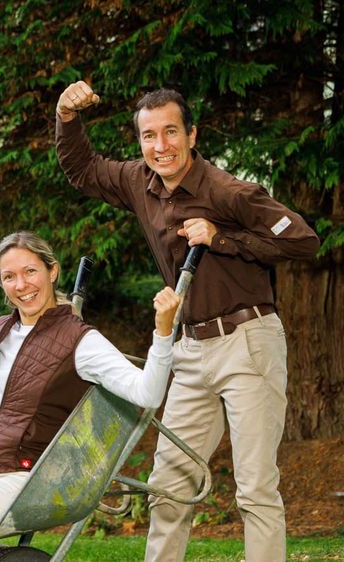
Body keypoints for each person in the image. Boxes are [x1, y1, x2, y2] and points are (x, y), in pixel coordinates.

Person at [54, 83, 321, 562]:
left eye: (171, 132)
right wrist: (67, 118)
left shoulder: (228, 191)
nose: (160, 147)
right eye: (149, 136)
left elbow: (303, 241)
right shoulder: (141, 182)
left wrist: (223, 237)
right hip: (190, 350)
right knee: (169, 486)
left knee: (255, 487)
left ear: (191, 133)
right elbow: (84, 171)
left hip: (248, 342)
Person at [0, 232, 180, 561]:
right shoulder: (1, 330)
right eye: (9, 277)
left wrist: (163, 332)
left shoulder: (80, 340)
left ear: (52, 271)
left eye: (30, 271)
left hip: (19, 483)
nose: (21, 285)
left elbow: (148, 392)